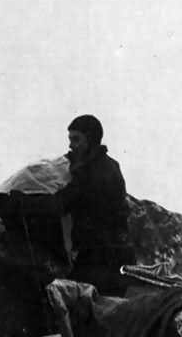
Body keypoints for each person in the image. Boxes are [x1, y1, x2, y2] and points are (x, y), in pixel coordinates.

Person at [54, 114, 132, 294]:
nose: (71, 145)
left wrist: (20, 202)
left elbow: (60, 203)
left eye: (76, 139)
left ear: (90, 140)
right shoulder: (110, 165)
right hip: (116, 258)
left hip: (98, 259)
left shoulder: (91, 173)